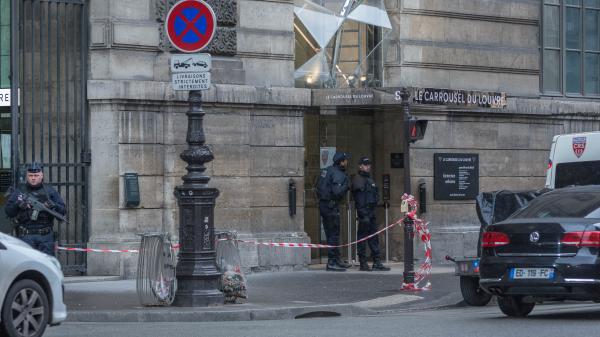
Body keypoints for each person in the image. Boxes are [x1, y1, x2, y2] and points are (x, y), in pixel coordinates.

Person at [5, 162, 66, 256]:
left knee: (47, 266)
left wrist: (53, 205)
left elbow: (63, 211)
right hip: (25, 236)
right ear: (27, 176)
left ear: (41, 175)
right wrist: (18, 204)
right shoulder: (20, 191)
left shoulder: (50, 191)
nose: (33, 178)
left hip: (45, 237)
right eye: (30, 175)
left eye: (36, 175)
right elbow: (8, 212)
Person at [352, 157, 390, 271]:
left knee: (374, 237)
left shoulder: (369, 179)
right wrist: (363, 214)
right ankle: (363, 262)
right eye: (365, 164)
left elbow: (375, 195)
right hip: (364, 213)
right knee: (362, 238)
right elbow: (359, 199)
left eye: (368, 164)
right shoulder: (358, 179)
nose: (367, 166)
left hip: (371, 212)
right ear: (360, 166)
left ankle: (377, 262)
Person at [317, 151, 351, 271]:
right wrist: (346, 186)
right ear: (341, 162)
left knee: (330, 233)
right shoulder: (339, 174)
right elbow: (337, 192)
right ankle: (331, 262)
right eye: (345, 160)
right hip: (331, 207)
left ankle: (336, 259)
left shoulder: (327, 170)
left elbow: (318, 186)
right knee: (334, 235)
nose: (347, 162)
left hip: (323, 205)